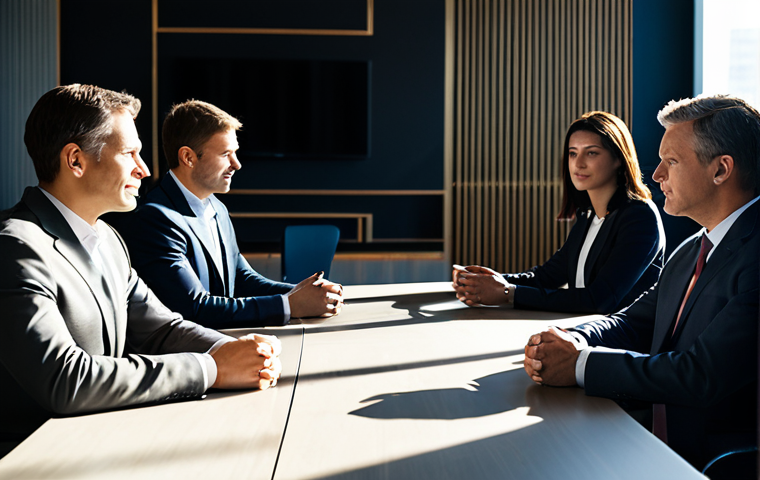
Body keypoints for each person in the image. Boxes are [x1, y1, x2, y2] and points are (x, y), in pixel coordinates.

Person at [0, 85, 282, 450]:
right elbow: (66, 381)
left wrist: (239, 352)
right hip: (37, 458)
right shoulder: (15, 246)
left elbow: (162, 329)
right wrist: (210, 369)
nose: (144, 170)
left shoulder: (110, 240)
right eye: (130, 154)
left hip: (107, 441)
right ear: (75, 160)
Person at [523, 95, 760, 470]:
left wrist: (580, 364)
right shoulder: (690, 250)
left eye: (672, 161)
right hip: (649, 440)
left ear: (721, 170)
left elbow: (699, 375)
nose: (657, 174)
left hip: (706, 462)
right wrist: (573, 340)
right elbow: (631, 322)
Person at [112, 100, 343, 329]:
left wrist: (307, 293)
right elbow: (194, 308)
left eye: (235, 153)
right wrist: (289, 305)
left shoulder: (217, 208)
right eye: (226, 154)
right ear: (188, 157)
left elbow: (242, 279)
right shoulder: (154, 218)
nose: (237, 164)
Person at [453, 111, 665, 314]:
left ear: (618, 159)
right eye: (573, 153)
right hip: (585, 332)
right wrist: (489, 280)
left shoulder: (640, 217)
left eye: (591, 152)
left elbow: (599, 300)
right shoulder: (587, 217)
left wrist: (507, 293)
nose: (578, 163)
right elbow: (545, 278)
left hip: (624, 344)